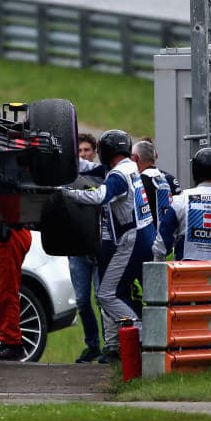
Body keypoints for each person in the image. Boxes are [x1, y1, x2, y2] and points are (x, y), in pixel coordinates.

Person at [63, 129, 156, 361]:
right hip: (144, 237)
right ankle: (123, 344)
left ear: (106, 151)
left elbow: (98, 197)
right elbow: (89, 168)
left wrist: (67, 193)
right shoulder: (128, 166)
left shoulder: (118, 176)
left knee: (106, 294)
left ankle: (144, 334)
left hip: (132, 240)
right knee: (120, 292)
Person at [0, 194, 33, 361]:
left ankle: (12, 343)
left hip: (8, 233)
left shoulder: (5, 173)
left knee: (5, 293)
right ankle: (9, 339)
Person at [68, 132, 105, 363]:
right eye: (79, 151)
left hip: (99, 247)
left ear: (94, 152)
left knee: (102, 298)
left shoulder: (103, 175)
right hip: (76, 247)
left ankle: (110, 344)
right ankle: (92, 345)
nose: (83, 155)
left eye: (87, 150)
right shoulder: (68, 175)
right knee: (82, 300)